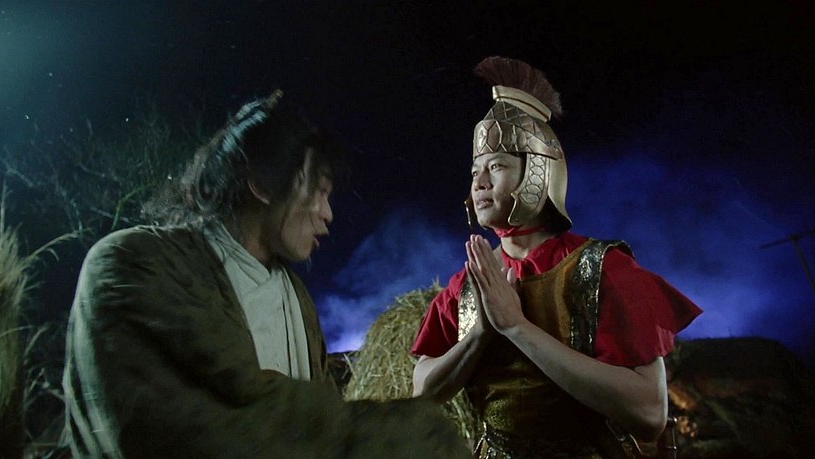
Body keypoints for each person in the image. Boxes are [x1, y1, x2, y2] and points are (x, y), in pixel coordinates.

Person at [63, 91, 471, 458]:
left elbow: (315, 414)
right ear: (261, 181)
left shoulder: (296, 299)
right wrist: (412, 436)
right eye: (319, 190)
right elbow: (224, 427)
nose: (328, 214)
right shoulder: (133, 264)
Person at [411, 57, 702, 458]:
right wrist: (479, 335)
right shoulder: (470, 283)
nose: (479, 182)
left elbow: (650, 414)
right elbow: (422, 393)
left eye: (496, 166)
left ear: (538, 173)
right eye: (475, 171)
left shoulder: (603, 270)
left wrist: (516, 327)